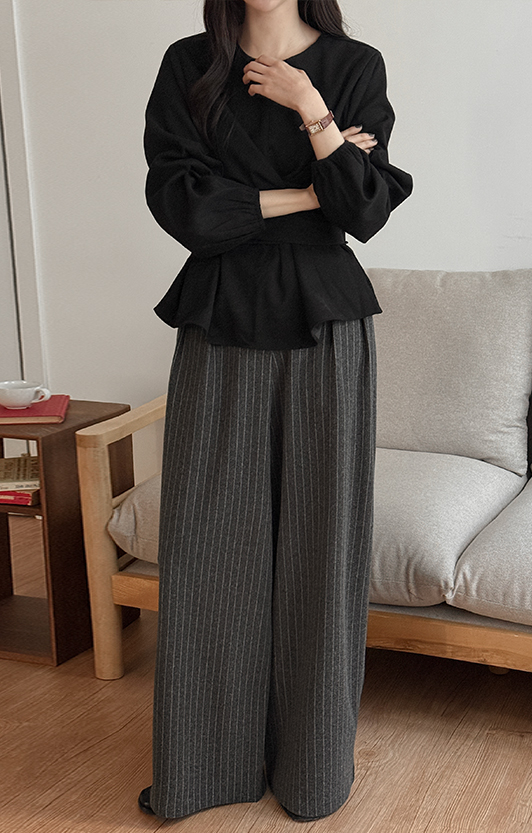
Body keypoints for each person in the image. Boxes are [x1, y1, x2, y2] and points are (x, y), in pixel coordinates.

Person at [139, 0, 412, 821]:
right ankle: (202, 770)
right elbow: (186, 207)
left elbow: (364, 210)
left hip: (327, 324)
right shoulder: (189, 64)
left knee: (321, 548)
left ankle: (312, 770)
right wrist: (306, 191)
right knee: (206, 547)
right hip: (219, 314)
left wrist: (309, 105)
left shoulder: (352, 67)